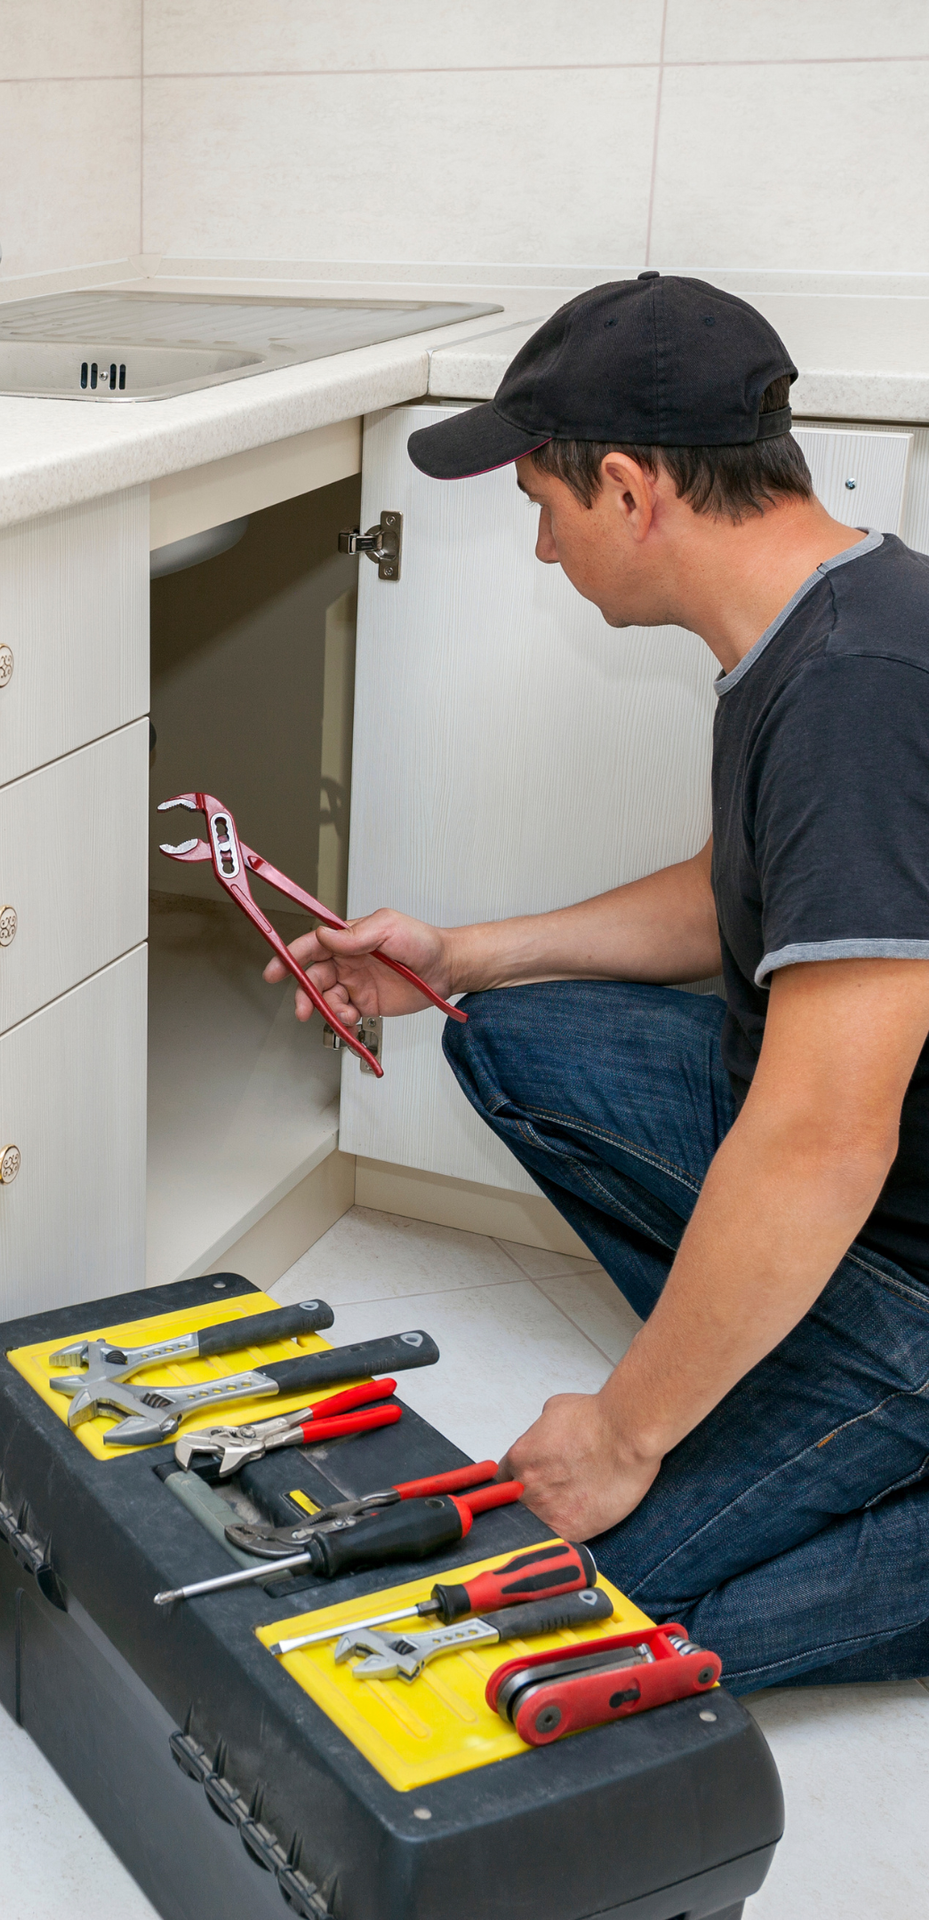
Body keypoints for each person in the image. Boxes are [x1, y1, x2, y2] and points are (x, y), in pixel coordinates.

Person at [275, 273, 929, 1691]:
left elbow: (824, 1140)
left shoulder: (857, 694)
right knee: (499, 1034)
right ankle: (771, 1356)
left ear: (631, 492)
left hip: (904, 1252)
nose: (539, 549)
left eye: (542, 506)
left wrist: (627, 1430)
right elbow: (730, 896)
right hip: (859, 1184)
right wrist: (458, 953)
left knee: (596, 1615)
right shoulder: (826, 617)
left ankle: (826, 1393)